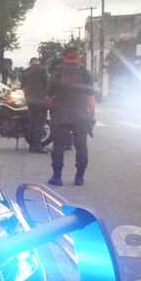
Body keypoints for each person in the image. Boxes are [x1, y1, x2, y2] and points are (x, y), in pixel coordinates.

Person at [47, 47, 95, 186]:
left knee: (58, 147)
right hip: (80, 116)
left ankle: (57, 177)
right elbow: (90, 97)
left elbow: (49, 97)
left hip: (60, 115)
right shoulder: (85, 73)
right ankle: (79, 178)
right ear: (78, 57)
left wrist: (52, 110)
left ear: (64, 57)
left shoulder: (56, 74)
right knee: (81, 146)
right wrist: (92, 114)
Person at [21, 57, 49, 153]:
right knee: (40, 123)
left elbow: (23, 86)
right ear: (38, 62)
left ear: (30, 63)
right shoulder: (43, 70)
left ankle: (32, 145)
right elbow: (48, 84)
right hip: (41, 101)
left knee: (32, 123)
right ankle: (37, 146)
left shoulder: (25, 72)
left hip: (30, 101)